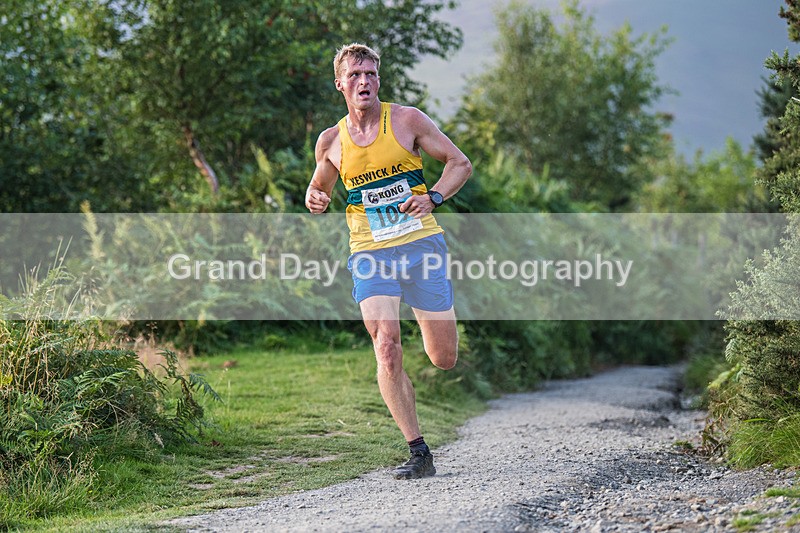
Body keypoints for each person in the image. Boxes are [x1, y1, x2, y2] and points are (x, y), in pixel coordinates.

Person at [305, 43, 472, 479]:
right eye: (356, 74)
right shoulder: (331, 141)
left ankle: (437, 327)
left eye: (372, 74)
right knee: (386, 345)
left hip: (421, 247)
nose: (365, 81)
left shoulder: (406, 120)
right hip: (370, 251)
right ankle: (419, 452)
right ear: (340, 83)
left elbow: (460, 163)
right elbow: (319, 186)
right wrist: (315, 196)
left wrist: (433, 196)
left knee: (443, 358)